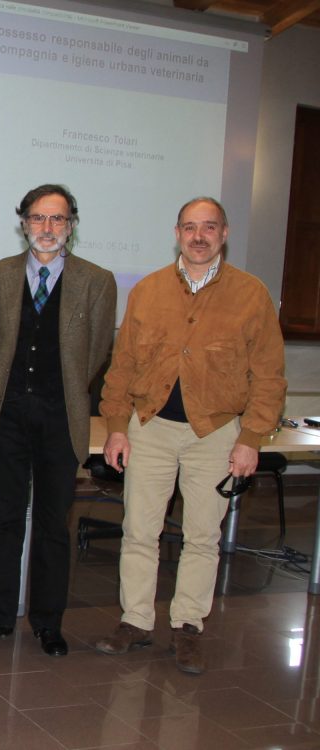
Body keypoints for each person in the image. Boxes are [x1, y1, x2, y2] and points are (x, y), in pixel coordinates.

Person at [94, 197, 286, 674]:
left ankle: (188, 628)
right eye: (189, 228)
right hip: (150, 427)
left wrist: (252, 438)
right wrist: (117, 427)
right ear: (177, 233)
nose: (198, 236)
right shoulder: (149, 290)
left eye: (208, 227)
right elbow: (121, 368)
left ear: (224, 234)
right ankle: (136, 622)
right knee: (140, 531)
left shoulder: (251, 294)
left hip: (217, 433)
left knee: (203, 536)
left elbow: (269, 375)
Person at [0, 185, 116, 657]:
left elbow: (93, 355)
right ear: (23, 223)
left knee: (54, 524)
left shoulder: (97, 280)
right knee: (5, 522)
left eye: (57, 219)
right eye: (37, 218)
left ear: (71, 224)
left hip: (61, 418)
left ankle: (48, 622)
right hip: (7, 414)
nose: (47, 229)